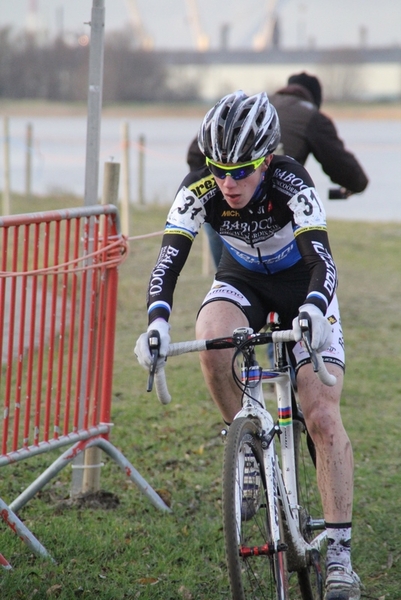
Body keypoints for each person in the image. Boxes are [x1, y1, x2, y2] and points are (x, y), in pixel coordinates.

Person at [135, 90, 361, 600]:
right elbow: (167, 261)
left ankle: (341, 556)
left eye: (242, 171)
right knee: (210, 340)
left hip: (304, 284)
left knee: (321, 412)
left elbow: (323, 261)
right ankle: (250, 452)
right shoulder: (199, 190)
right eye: (219, 170)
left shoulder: (291, 181)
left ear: (267, 160)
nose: (229, 183)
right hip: (243, 280)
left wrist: (313, 310)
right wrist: (157, 322)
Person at [186, 71, 369, 268]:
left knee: (228, 279)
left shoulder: (249, 110)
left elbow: (196, 155)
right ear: (315, 99)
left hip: (223, 207)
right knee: (269, 280)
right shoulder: (312, 117)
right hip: (272, 210)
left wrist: (219, 182)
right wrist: (357, 185)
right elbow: (341, 166)